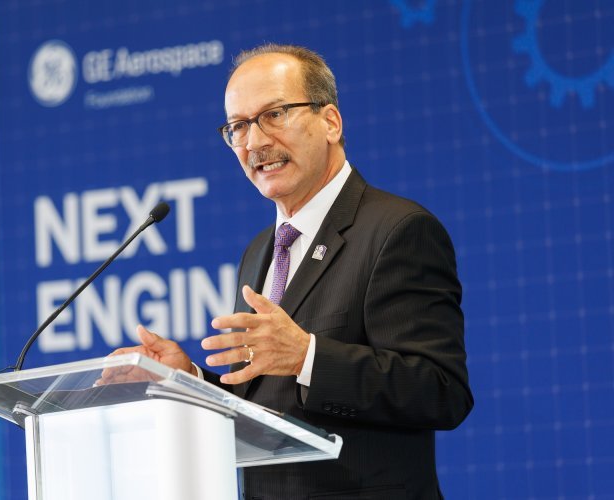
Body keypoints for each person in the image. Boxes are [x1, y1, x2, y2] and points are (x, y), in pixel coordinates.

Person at [107, 44, 473, 499]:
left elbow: (441, 391)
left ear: (330, 122)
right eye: (239, 126)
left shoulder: (397, 230)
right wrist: (189, 382)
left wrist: (308, 356)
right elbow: (265, 402)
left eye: (274, 114)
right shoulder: (260, 250)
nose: (254, 142)